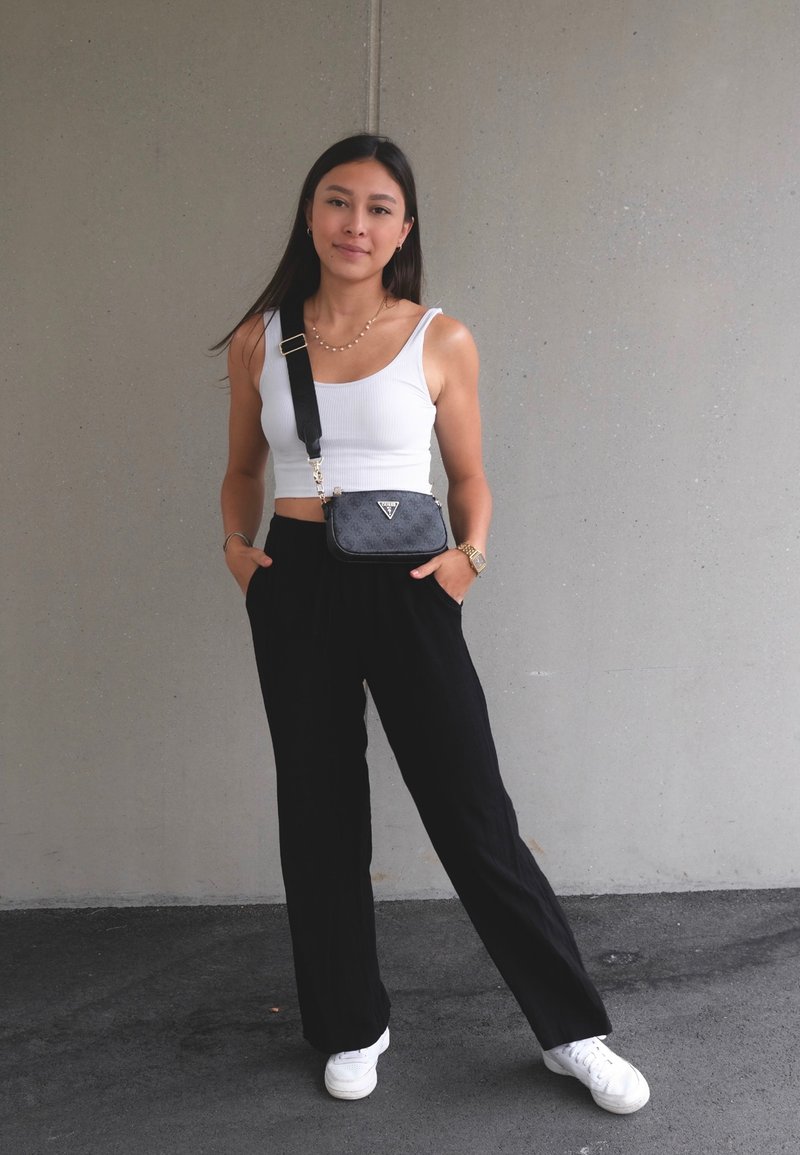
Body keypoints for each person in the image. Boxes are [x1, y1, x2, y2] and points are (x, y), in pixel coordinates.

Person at [216, 133, 649, 1114]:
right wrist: (239, 552)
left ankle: (570, 1032)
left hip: (410, 581)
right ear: (310, 213)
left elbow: (468, 477)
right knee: (318, 811)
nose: (355, 224)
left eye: (378, 208)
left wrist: (468, 558)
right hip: (295, 580)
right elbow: (242, 468)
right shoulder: (260, 339)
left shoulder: (439, 338)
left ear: (404, 228)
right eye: (338, 201)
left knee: (472, 809)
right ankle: (351, 1023)